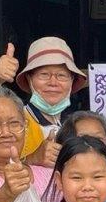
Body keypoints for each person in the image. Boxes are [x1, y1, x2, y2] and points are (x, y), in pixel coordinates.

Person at [13, 36, 87, 167]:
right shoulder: (14, 121)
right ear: (30, 79)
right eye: (44, 74)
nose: (53, 82)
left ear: (72, 81)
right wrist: (32, 158)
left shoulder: (78, 125)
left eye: (61, 75)